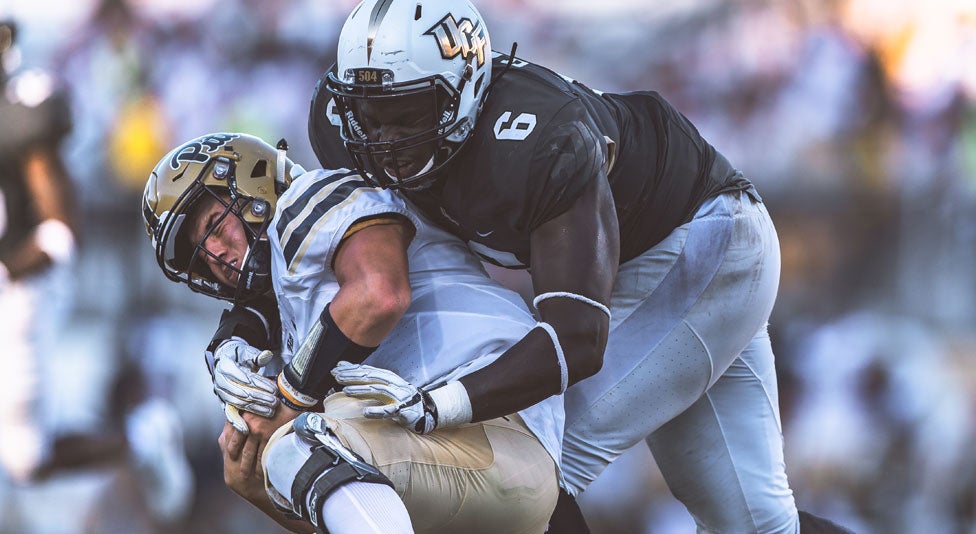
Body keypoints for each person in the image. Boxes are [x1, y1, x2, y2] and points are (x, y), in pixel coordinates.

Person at [308, 1, 852, 532]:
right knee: (754, 525)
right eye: (370, 115)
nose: (384, 139)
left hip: (700, 248)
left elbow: (576, 341)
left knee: (528, 460)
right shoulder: (338, 129)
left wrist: (442, 404)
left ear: (467, 88)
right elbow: (308, 252)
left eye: (407, 114)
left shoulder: (539, 139)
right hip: (651, 268)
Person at [141, 132, 565, 533]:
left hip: (494, 424)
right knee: (288, 455)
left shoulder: (307, 200)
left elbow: (380, 294)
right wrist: (257, 484)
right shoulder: (293, 315)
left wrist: (289, 397)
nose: (215, 253)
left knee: (303, 442)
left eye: (216, 225)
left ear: (254, 190)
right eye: (203, 252)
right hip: (454, 467)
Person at [0, 17, 78, 483]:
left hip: (20, 290)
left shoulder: (19, 107)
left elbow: (58, 231)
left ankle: (137, 438)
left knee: (28, 459)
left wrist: (12, 271)